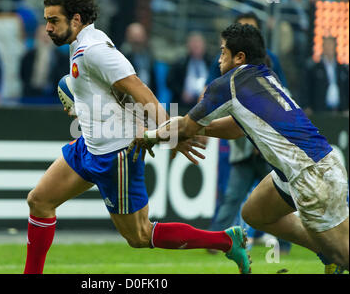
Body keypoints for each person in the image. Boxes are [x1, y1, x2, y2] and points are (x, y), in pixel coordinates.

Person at [23, 0, 251, 275]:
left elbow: (141, 92)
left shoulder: (95, 50)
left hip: (116, 155)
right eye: (46, 21)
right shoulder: (81, 45)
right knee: (39, 201)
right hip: (88, 146)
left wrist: (171, 133)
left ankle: (224, 241)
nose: (48, 28)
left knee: (140, 236)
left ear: (76, 19)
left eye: (54, 21)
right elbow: (117, 96)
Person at [130, 23, 349, 273]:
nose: (219, 57)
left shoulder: (227, 84)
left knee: (346, 255)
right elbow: (235, 128)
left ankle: (334, 255)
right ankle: (326, 253)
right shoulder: (265, 76)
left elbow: (186, 128)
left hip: (311, 177)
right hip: (308, 169)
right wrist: (192, 129)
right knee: (255, 213)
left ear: (239, 57)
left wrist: (149, 137)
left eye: (223, 51)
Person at [206, 12, 291, 254]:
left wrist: (186, 128)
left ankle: (283, 245)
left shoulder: (269, 59)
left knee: (281, 199)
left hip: (268, 149)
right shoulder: (222, 60)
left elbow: (282, 95)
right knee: (232, 197)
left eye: (249, 28)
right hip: (243, 149)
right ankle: (215, 241)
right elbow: (210, 92)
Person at [19, 24, 69, 104]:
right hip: (31, 96)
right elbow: (23, 74)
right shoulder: (28, 56)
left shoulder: (62, 58)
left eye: (48, 36)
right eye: (42, 36)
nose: (45, 39)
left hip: (53, 98)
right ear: (37, 37)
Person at [300, 36, 349, 115]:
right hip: (319, 110)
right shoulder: (314, 68)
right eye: (326, 45)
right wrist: (306, 106)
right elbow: (306, 88)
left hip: (341, 111)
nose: (329, 47)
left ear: (335, 47)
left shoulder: (343, 69)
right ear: (322, 47)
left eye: (331, 44)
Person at [167, 32, 211, 110]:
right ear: (188, 45)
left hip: (204, 103)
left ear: (204, 45)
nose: (196, 45)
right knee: (173, 114)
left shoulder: (211, 62)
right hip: (181, 101)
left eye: (198, 43)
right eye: (193, 43)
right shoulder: (180, 62)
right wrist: (181, 93)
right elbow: (169, 81)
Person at [121, 22, 157, 95]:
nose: (138, 40)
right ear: (128, 37)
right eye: (135, 36)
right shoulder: (122, 57)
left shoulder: (150, 56)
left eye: (140, 36)